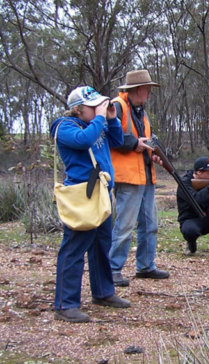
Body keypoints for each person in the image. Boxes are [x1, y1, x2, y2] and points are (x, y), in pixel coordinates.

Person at [50, 86, 129, 323]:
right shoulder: (65, 126)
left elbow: (117, 140)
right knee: (75, 246)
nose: (99, 109)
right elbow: (83, 141)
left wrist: (112, 118)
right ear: (78, 109)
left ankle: (103, 292)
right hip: (82, 195)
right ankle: (65, 303)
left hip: (101, 193)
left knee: (101, 245)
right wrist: (99, 117)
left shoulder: (97, 123)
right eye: (93, 105)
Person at [109, 70, 169, 287]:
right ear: (138, 89)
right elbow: (108, 135)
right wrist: (134, 144)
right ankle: (113, 270)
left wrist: (154, 153)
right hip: (128, 177)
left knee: (150, 224)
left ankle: (145, 266)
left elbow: (146, 139)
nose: (149, 94)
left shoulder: (140, 111)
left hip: (145, 176)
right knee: (124, 226)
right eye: (147, 90)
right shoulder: (117, 106)